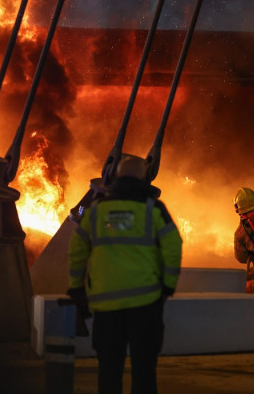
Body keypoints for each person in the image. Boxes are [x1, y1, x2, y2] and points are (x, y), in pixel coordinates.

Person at [68, 154, 183, 394]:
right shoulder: (154, 208)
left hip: (106, 306)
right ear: (144, 178)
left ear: (115, 176)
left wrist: (77, 287)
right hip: (146, 304)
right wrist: (167, 286)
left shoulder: (95, 208)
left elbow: (76, 248)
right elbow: (173, 246)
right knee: (144, 371)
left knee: (109, 372)